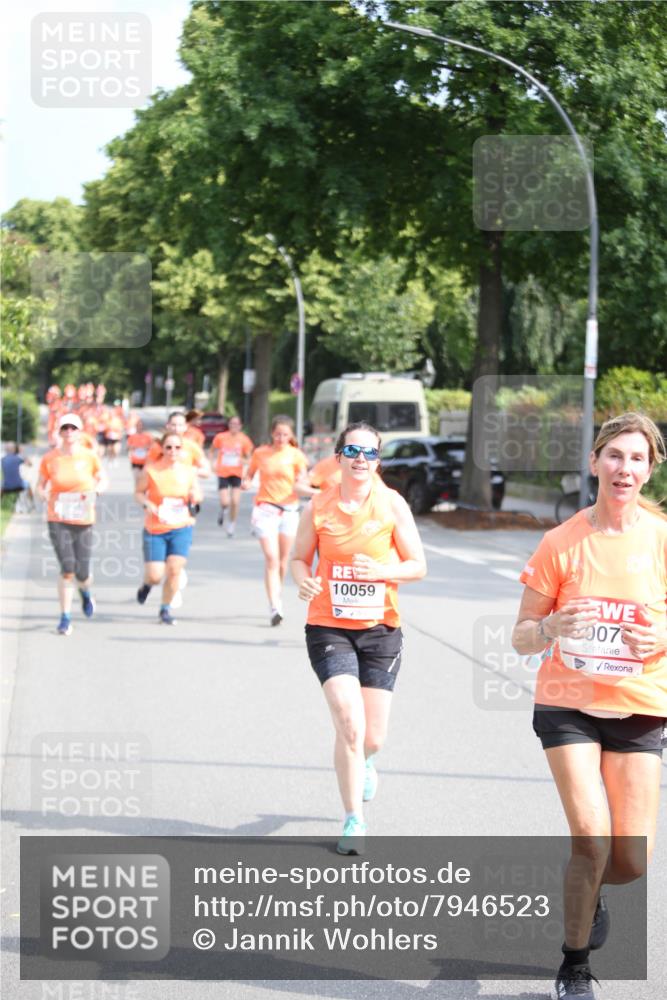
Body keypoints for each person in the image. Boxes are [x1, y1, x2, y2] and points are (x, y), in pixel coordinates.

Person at [512, 412, 667, 1000]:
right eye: (615, 456)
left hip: (640, 705)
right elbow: (521, 636)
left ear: (649, 471)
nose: (624, 468)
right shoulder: (561, 542)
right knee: (591, 839)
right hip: (568, 705)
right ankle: (574, 967)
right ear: (595, 461)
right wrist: (550, 624)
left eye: (637, 459)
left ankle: (593, 890)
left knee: (631, 859)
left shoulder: (661, 538)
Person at [291, 421, 427, 855]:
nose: (361, 460)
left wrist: (383, 571)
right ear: (338, 458)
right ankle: (354, 820)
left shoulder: (392, 505)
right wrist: (303, 580)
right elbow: (298, 557)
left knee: (373, 736)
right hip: (328, 625)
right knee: (349, 721)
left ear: (378, 460)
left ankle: (367, 759)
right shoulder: (319, 506)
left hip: (380, 629)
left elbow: (417, 565)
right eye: (352, 451)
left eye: (369, 453)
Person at [37, 413, 108, 635]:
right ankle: (65, 617)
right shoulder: (50, 458)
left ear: (80, 432)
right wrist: (43, 495)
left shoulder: (89, 456)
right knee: (68, 568)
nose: (69, 432)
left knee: (82, 573)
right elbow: (40, 485)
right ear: (59, 432)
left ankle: (85, 593)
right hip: (58, 517)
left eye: (73, 428)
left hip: (83, 517)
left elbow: (103, 478)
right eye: (65, 428)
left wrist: (97, 490)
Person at [242, 414, 312, 625]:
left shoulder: (296, 455)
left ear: (291, 436)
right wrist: (246, 482)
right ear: (272, 433)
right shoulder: (261, 453)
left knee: (283, 561)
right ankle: (274, 606)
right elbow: (250, 474)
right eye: (278, 434)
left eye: (285, 434)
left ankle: (277, 594)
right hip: (265, 509)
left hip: (289, 510)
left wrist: (303, 480)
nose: (281, 438)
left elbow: (304, 478)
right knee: (271, 558)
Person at [134, 431, 202, 625]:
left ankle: (165, 608)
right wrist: (147, 503)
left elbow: (197, 492)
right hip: (156, 528)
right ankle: (147, 585)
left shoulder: (188, 471)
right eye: (169, 447)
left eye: (177, 447)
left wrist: (195, 496)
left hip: (181, 526)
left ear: (182, 450)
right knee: (155, 575)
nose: (173, 451)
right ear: (162, 449)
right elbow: (138, 493)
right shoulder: (152, 470)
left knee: (174, 570)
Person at [211, 415, 254, 535]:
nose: (234, 426)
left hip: (237, 473)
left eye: (237, 424)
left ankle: (231, 524)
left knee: (235, 501)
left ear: (240, 426)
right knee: (225, 501)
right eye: (232, 424)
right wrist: (212, 463)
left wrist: (246, 464)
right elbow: (213, 450)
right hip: (223, 472)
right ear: (228, 425)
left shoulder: (244, 439)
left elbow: (249, 457)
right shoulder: (221, 437)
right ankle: (223, 510)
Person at [145, 411, 211, 478]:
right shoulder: (158, 446)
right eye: (173, 425)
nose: (176, 429)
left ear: (185, 427)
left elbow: (206, 471)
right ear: (168, 425)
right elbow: (147, 469)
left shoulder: (191, 446)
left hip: (184, 486)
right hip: (163, 485)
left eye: (180, 425)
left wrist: (190, 471)